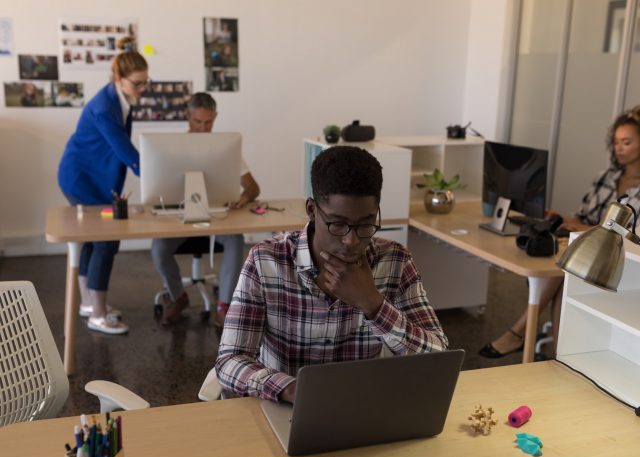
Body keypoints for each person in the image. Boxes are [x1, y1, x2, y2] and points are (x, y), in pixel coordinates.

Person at [215, 145, 448, 402]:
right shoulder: (266, 261)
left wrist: (373, 304)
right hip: (284, 407)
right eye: (338, 224)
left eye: (366, 224)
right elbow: (230, 360)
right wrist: (294, 390)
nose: (351, 240)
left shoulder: (394, 261)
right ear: (312, 210)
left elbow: (439, 358)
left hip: (361, 407)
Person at [480, 106, 640, 358]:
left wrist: (584, 229)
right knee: (564, 270)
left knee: (563, 270)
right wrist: (561, 218)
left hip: (613, 260)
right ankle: (557, 354)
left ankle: (519, 333)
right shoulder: (606, 176)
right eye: (617, 142)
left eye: (627, 142)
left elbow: (626, 236)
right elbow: (583, 216)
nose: (619, 148)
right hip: (583, 246)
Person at [57, 37, 148, 335]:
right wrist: (154, 175)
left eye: (146, 83)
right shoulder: (104, 107)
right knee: (106, 240)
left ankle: (88, 303)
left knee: (96, 239)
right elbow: (124, 150)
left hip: (94, 176)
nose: (142, 90)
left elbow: (118, 152)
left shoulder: (122, 99)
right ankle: (97, 313)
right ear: (120, 79)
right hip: (80, 178)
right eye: (138, 84)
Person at [150, 92, 260, 327]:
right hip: (181, 221)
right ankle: (179, 297)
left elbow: (253, 187)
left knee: (235, 241)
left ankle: (224, 306)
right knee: (159, 247)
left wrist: (243, 197)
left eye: (208, 122)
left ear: (215, 117)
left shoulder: (225, 149)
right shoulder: (170, 149)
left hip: (217, 220)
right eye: (197, 122)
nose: (202, 128)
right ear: (187, 116)